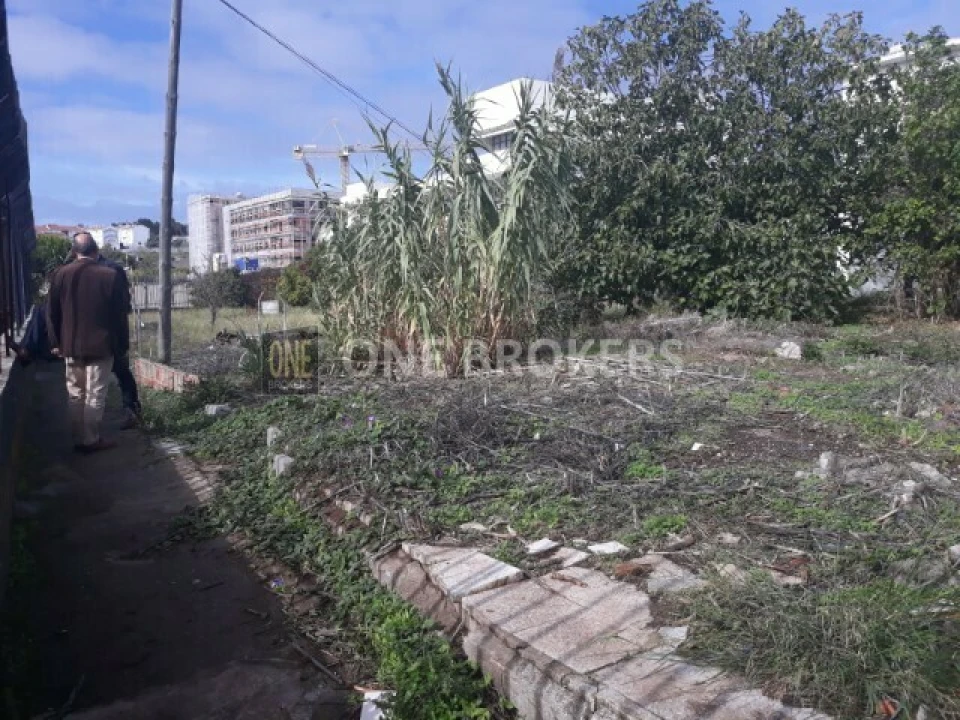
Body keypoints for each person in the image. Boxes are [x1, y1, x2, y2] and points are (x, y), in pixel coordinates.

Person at [47, 233, 129, 453]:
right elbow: (120, 315)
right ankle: (91, 440)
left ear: (75, 252)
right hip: (102, 345)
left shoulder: (59, 275)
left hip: (70, 345)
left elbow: (52, 313)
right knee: (95, 393)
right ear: (96, 251)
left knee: (75, 394)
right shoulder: (110, 276)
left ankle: (79, 439)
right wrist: (122, 345)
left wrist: (56, 342)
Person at [96, 250, 141, 427]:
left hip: (108, 331)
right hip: (114, 331)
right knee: (121, 372)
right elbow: (125, 302)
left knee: (119, 371)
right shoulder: (113, 269)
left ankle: (130, 412)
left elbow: (123, 302)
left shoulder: (109, 270)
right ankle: (131, 411)